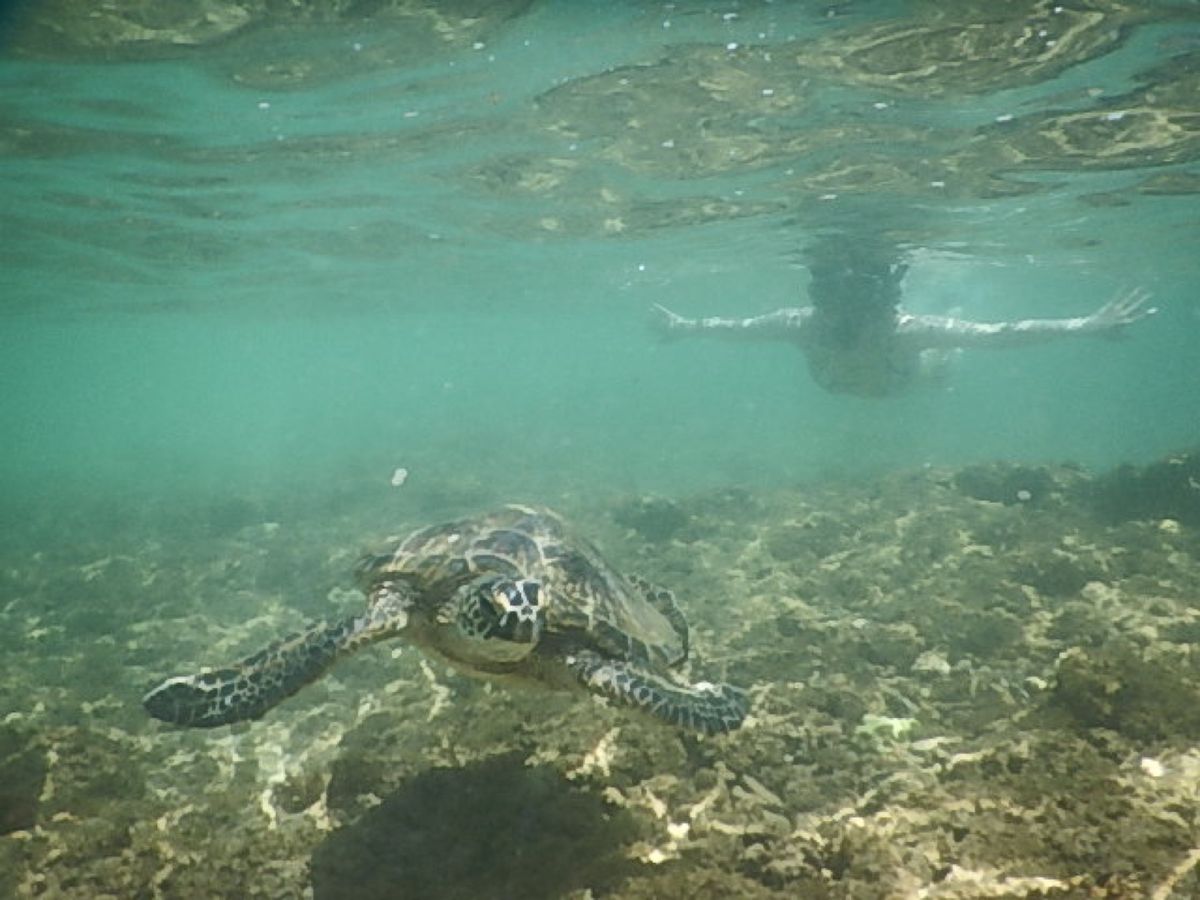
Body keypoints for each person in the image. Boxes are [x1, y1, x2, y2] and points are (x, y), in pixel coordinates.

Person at [653, 239, 1155, 397]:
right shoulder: (801, 322)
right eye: (834, 295)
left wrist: (1085, 325)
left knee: (948, 352)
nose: (848, 310)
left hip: (910, 381)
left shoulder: (906, 331)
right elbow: (735, 331)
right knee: (947, 338)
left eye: (862, 297)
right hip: (855, 384)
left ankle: (954, 308)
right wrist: (682, 328)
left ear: (884, 301)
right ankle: (952, 312)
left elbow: (1001, 337)